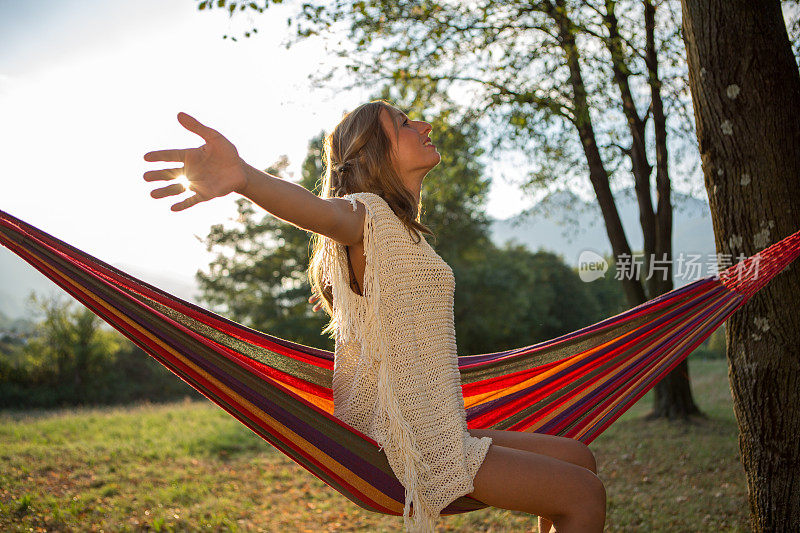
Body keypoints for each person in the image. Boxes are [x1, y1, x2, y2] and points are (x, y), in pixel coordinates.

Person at [143, 101, 606, 533]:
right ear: (371, 152)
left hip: (438, 424)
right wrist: (244, 177)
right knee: (582, 495)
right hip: (411, 442)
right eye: (404, 124)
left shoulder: (398, 232)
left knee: (577, 457)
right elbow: (321, 213)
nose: (424, 126)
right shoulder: (369, 213)